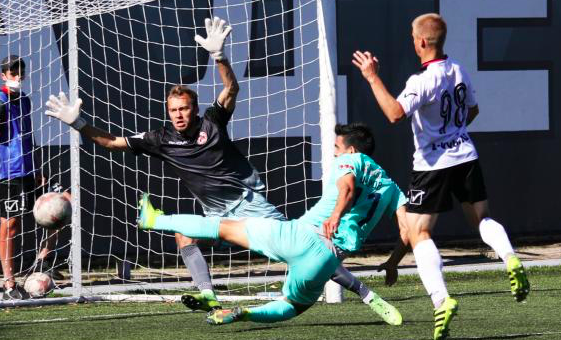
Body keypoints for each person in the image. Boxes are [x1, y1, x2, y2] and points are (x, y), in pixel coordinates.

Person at [45, 18, 403, 325]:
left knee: (302, 251)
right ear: (167, 112)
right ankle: (209, 295)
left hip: (247, 203)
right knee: (185, 236)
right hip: (215, 210)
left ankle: (365, 292)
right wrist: (79, 123)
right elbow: (111, 143)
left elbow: (231, 88)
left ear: (195, 108)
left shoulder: (212, 122)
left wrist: (219, 57)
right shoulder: (159, 138)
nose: (179, 115)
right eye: (173, 110)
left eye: (184, 108)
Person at [352, 13, 530, 340]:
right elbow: (472, 111)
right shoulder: (459, 70)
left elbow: (393, 114)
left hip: (432, 165)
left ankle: (440, 299)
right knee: (482, 219)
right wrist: (452, 131)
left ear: (421, 42)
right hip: (466, 156)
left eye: (412, 37)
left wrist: (372, 77)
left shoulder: (421, 81)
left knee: (419, 233)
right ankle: (510, 257)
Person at [135, 122, 409, 326]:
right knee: (293, 306)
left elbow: (347, 188)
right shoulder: (393, 188)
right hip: (326, 260)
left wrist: (336, 214)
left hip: (297, 236)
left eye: (336, 148)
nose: (335, 154)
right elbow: (407, 232)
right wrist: (393, 262)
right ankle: (247, 313)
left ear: (349, 149)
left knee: (223, 226)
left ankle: (157, 219)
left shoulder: (351, 159)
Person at [0, 55, 64, 300]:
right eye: (12, 73)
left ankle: (42, 261)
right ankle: (9, 286)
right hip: (7, 173)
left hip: (29, 171)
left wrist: (37, 168)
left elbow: (27, 137)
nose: (17, 77)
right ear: (3, 75)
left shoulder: (24, 100)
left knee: (63, 202)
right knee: (10, 226)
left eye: (20, 74)